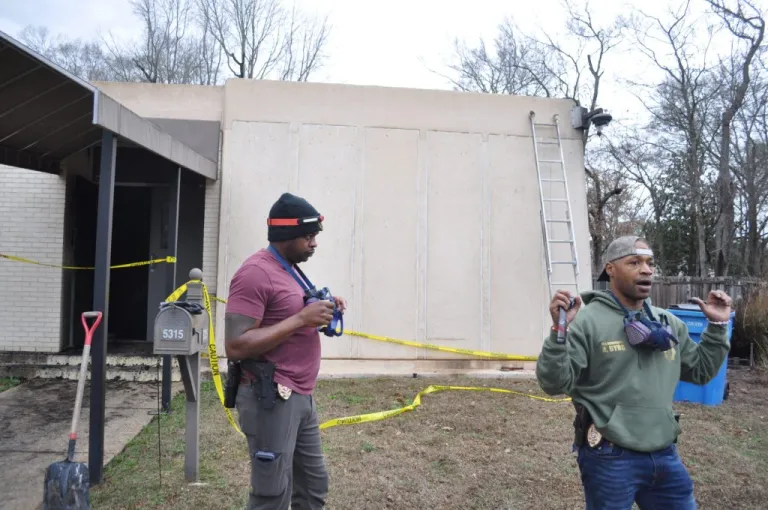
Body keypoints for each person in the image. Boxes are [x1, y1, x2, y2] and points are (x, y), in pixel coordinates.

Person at [536, 235, 732, 510]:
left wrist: (717, 326)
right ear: (610, 269)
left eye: (650, 263)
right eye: (634, 262)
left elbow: (700, 372)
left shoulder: (668, 323)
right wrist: (560, 331)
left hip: (664, 453)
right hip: (610, 456)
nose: (646, 269)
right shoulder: (586, 320)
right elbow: (554, 383)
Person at [224, 192, 347, 510]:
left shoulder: (290, 269)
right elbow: (236, 345)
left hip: (300, 396)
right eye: (308, 236)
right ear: (286, 234)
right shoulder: (254, 274)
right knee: (272, 494)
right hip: (270, 399)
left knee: (312, 485)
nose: (314, 243)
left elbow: (290, 314)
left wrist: (323, 310)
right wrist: (300, 319)